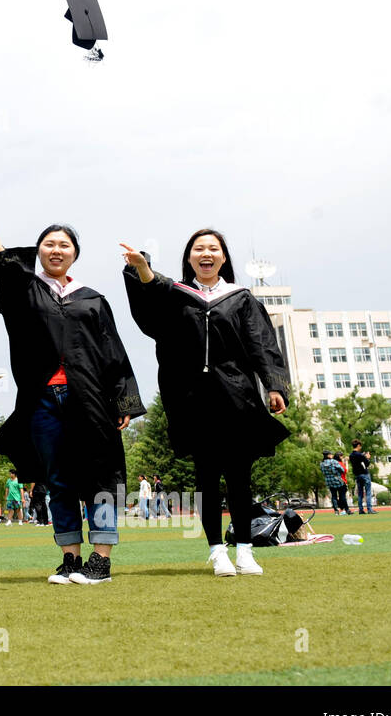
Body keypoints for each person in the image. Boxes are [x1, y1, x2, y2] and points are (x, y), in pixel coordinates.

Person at [0, 172, 145, 583]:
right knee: (58, 480)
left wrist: (122, 400)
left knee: (101, 475)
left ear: (74, 254)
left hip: (91, 400)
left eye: (63, 244)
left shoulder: (92, 299)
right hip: (44, 401)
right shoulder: (26, 290)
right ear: (39, 252)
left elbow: (113, 351)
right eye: (48, 244)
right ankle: (70, 557)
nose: (55, 249)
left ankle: (100, 559)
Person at [121, 231, 288, 577]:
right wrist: (142, 268)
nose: (207, 254)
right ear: (190, 257)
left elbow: (262, 344)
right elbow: (151, 303)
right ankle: (217, 551)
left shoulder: (240, 298)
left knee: (240, 479)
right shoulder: (177, 295)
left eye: (214, 249)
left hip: (236, 396)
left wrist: (275, 386)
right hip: (194, 400)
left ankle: (244, 550)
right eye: (200, 249)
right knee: (207, 477)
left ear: (224, 258)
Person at [349, 440, 375, 515]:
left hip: (357, 475)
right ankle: (369, 509)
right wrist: (367, 457)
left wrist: (363, 456)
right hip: (364, 474)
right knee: (368, 492)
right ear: (358, 446)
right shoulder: (360, 455)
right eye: (360, 446)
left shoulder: (351, 455)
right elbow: (366, 464)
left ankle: (361, 509)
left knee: (360, 493)